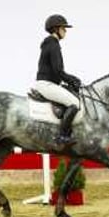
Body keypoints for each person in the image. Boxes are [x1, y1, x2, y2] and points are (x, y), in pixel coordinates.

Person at [32, 14, 81, 145]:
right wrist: (73, 80)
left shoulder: (50, 44)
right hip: (46, 84)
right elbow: (58, 70)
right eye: (64, 28)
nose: (65, 31)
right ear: (56, 29)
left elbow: (57, 72)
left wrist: (70, 80)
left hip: (48, 83)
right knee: (74, 104)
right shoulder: (53, 45)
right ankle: (63, 136)